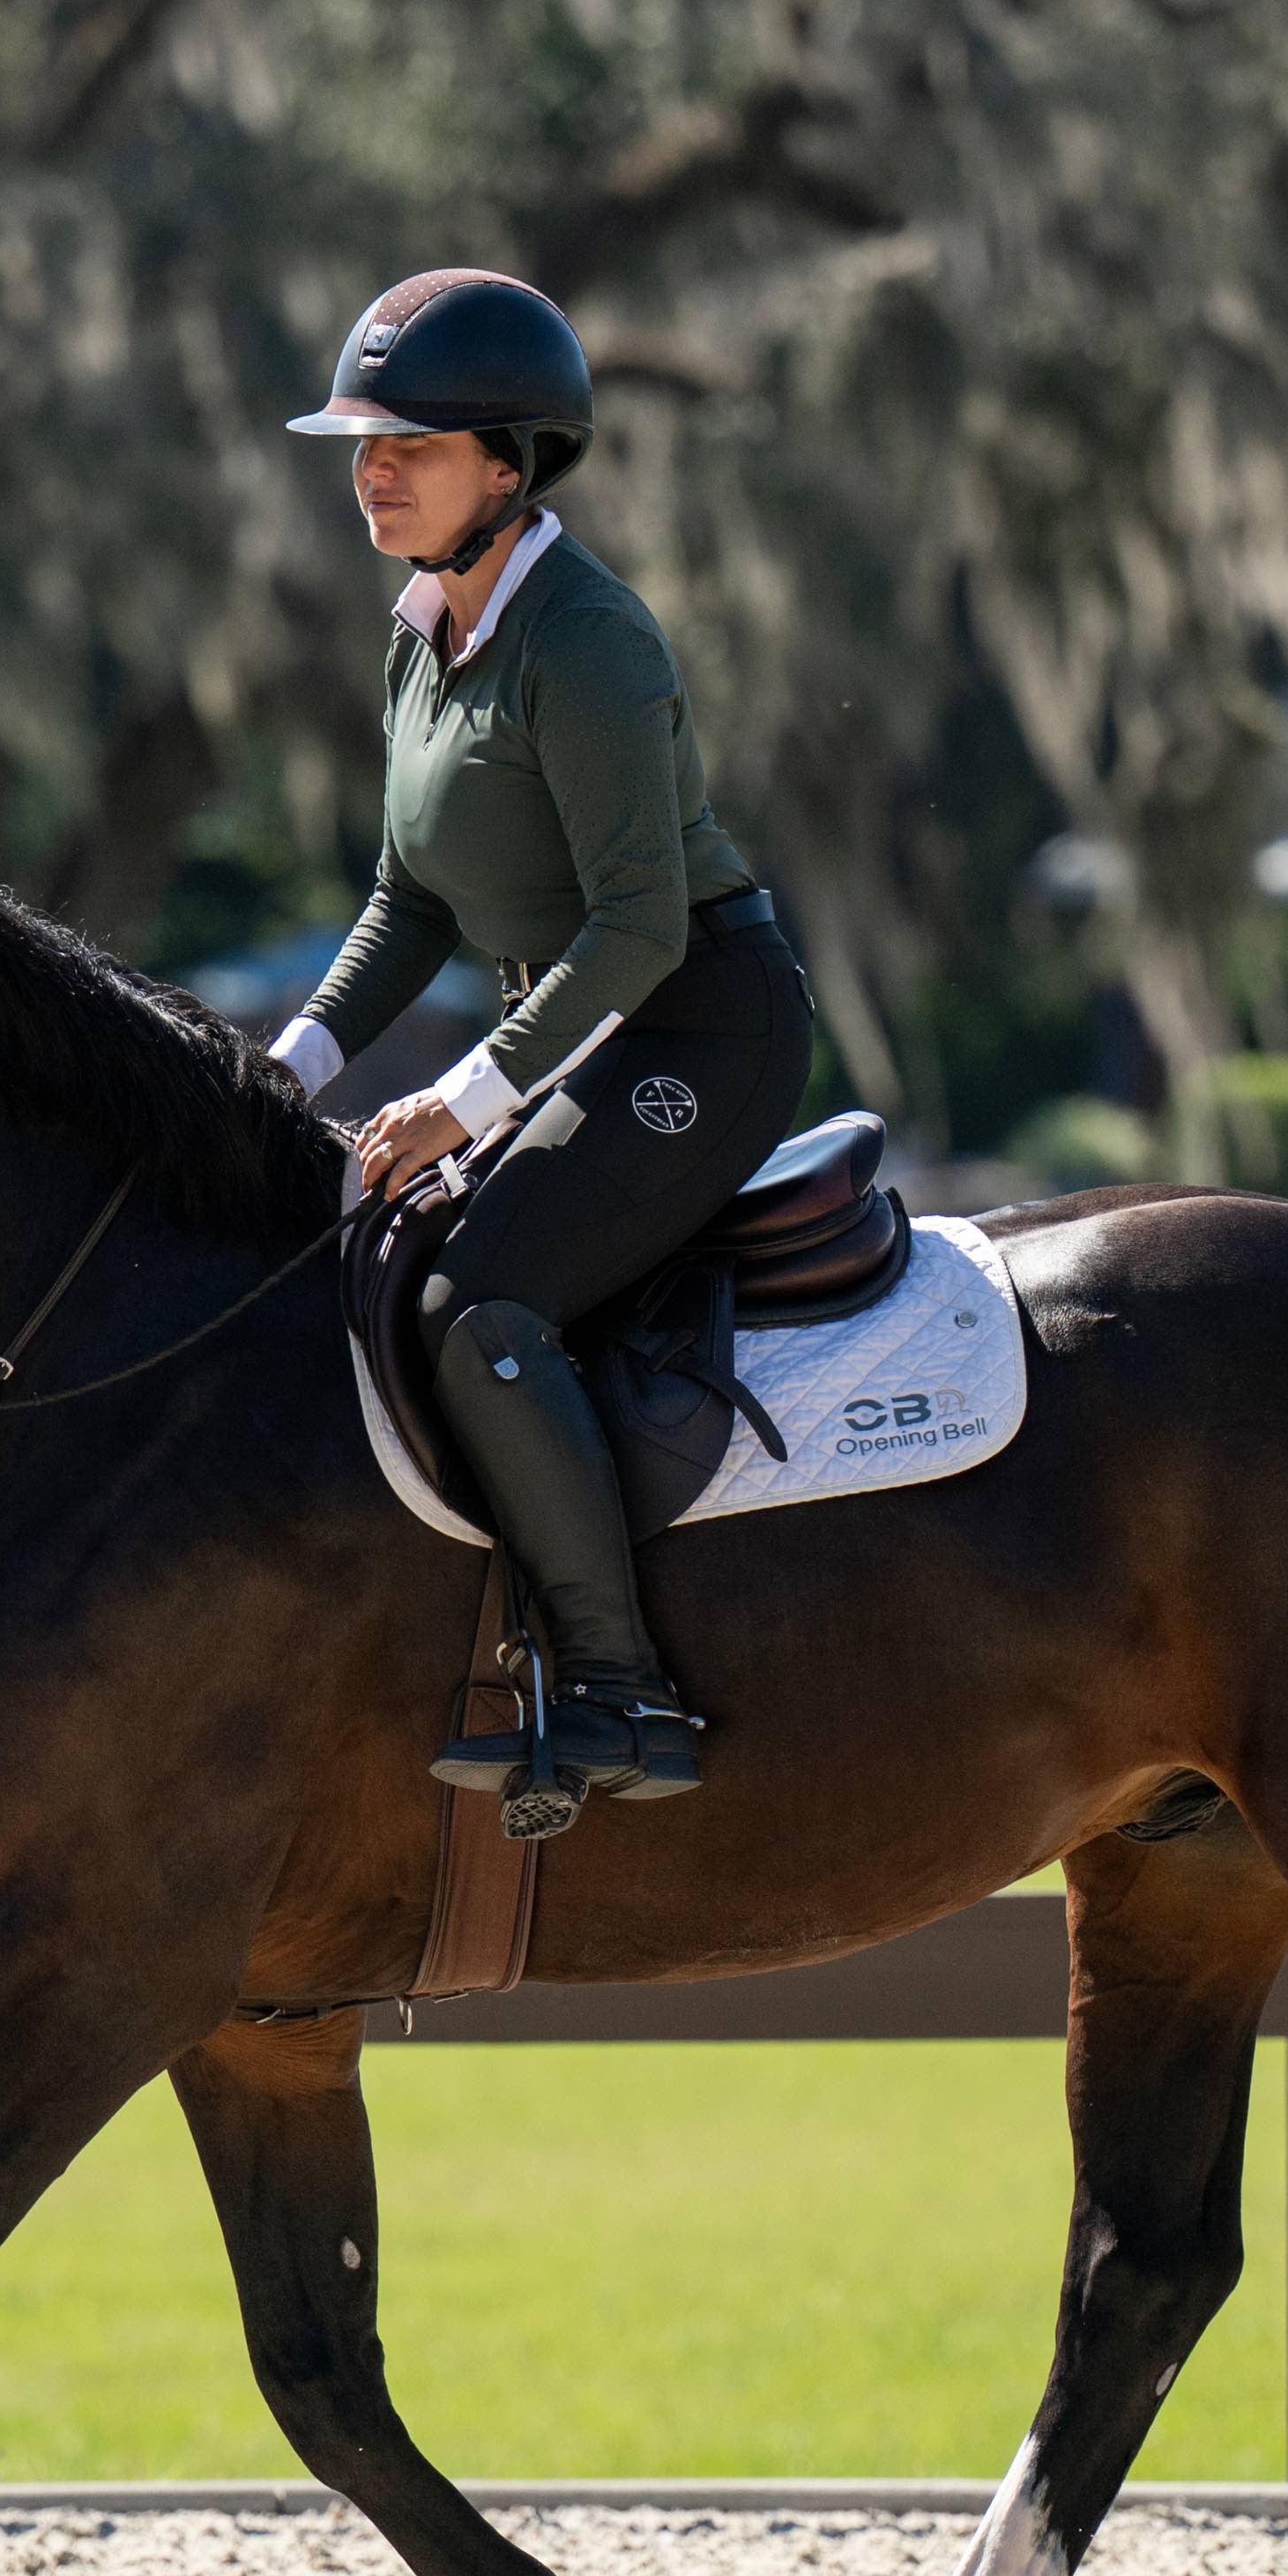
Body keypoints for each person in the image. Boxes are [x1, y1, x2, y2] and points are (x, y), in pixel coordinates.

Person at [269, 268, 810, 1803]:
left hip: (699, 1031)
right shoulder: (421, 626)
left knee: (481, 1307)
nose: (371, 466)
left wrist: (457, 1099)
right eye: (360, 441)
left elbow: (638, 932)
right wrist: (279, 1075)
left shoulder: (585, 641)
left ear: (509, 466)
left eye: (412, 445)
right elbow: (407, 902)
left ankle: (622, 1693)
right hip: (584, 1032)